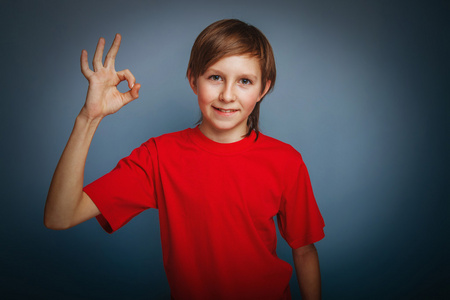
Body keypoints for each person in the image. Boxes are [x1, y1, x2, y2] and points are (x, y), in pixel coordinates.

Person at [44, 19, 325, 300]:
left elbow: (304, 251)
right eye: (215, 77)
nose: (227, 95)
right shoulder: (159, 156)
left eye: (244, 81)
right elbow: (60, 216)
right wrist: (88, 118)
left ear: (263, 89)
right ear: (193, 80)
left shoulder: (285, 161)